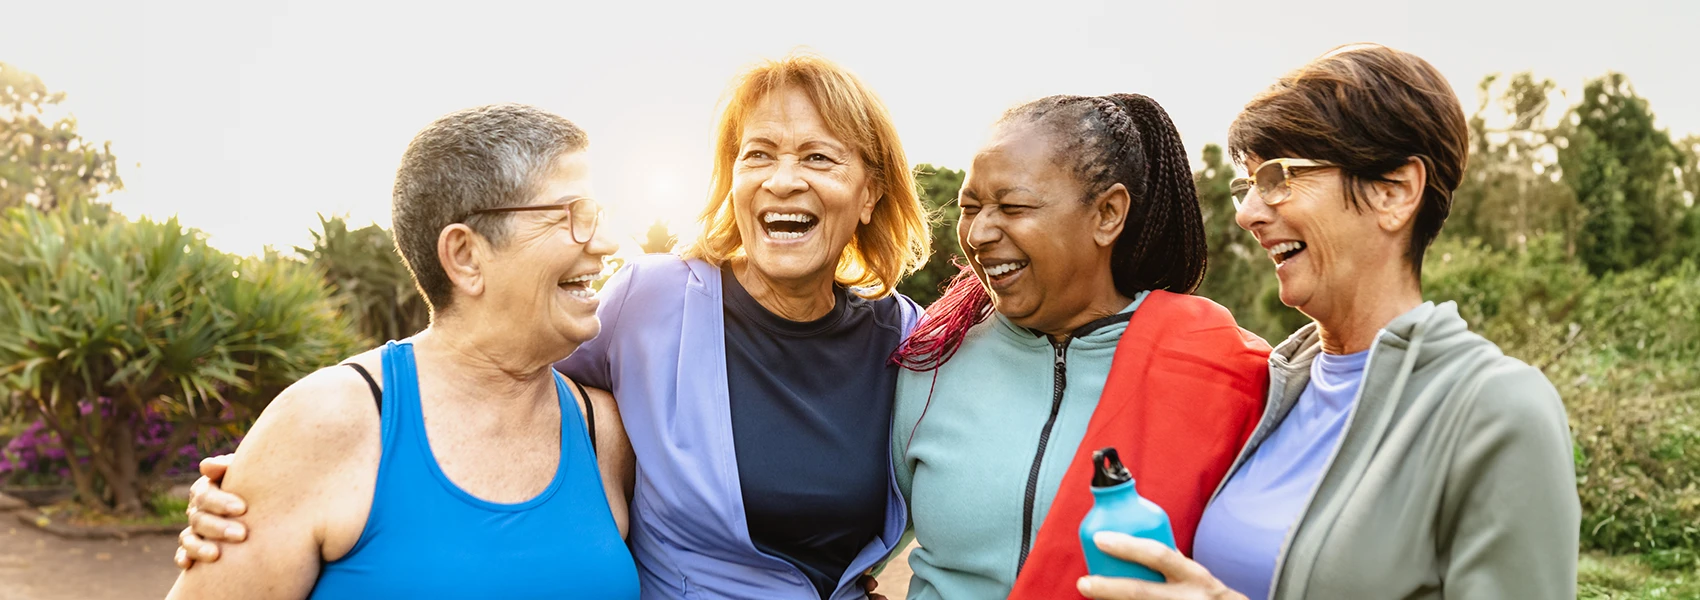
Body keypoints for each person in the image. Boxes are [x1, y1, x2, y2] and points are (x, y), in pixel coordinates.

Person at [174, 52, 930, 600]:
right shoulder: (650, 303)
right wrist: (279, 466)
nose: (606, 244)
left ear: (869, 193)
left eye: (819, 156)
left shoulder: (909, 342)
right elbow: (466, 363)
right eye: (757, 154)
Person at [1073, 43, 1581, 600]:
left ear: (1395, 191)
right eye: (1247, 186)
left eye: (1279, 178)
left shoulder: (1496, 410)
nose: (1246, 213)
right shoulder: (1274, 387)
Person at [165, 103, 639, 599]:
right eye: (572, 216)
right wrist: (263, 474)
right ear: (465, 255)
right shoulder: (326, 421)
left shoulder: (604, 430)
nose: (605, 242)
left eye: (598, 215)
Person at [888, 93, 1271, 600]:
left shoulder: (1226, 375)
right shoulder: (929, 360)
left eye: (1013, 206)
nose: (978, 233)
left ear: (1108, 214)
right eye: (970, 208)